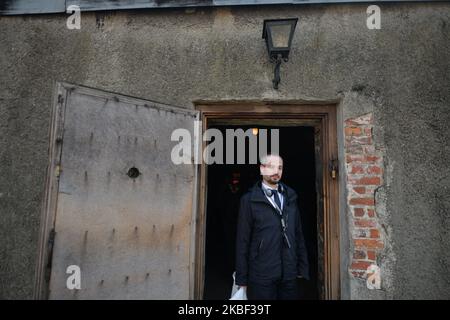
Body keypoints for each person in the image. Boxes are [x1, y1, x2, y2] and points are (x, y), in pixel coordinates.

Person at [235, 154, 309, 300]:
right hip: (261, 274)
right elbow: (242, 241)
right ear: (262, 169)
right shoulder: (249, 200)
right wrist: (242, 279)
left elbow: (298, 234)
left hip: (289, 273)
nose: (277, 171)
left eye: (280, 167)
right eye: (272, 166)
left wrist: (302, 267)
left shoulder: (291, 197)